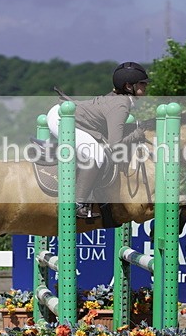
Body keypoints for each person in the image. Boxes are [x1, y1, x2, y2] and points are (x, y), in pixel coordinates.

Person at [47, 61, 150, 219]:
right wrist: (136, 135)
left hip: (66, 116)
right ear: (130, 86)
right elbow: (115, 146)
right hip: (62, 119)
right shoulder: (121, 105)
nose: (146, 87)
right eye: (142, 83)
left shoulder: (118, 98)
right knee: (97, 155)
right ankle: (78, 204)